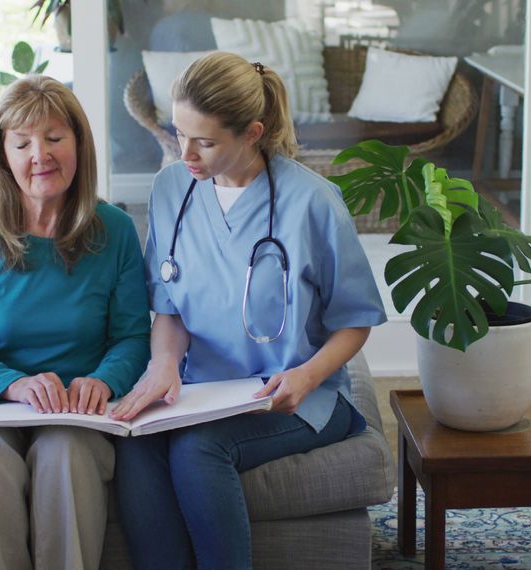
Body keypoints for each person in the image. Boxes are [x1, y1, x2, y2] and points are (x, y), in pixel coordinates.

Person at [110, 52, 387, 569]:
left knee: (197, 449)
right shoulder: (172, 188)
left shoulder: (313, 202)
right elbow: (169, 306)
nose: (185, 152)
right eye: (178, 132)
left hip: (296, 397)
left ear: (252, 132)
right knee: (136, 444)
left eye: (205, 141)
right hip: (201, 391)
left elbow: (355, 320)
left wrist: (305, 376)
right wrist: (164, 363)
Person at [0, 75, 150, 570]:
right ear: (2, 153)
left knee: (66, 453)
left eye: (54, 138)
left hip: (79, 405)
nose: (40, 155)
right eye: (23, 141)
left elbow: (133, 336)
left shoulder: (114, 229)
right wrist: (14, 385)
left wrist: (104, 379)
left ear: (78, 144)